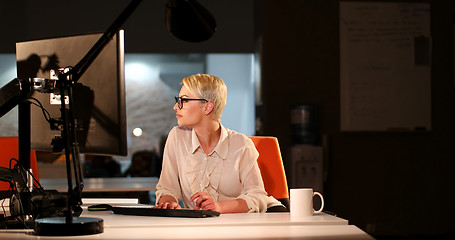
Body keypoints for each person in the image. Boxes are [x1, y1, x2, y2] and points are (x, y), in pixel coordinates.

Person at [155, 74, 284, 213]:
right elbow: (167, 188)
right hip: (203, 226)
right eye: (178, 100)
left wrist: (218, 207)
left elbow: (258, 197)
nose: (175, 106)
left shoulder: (241, 144)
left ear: (207, 107)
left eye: (184, 100)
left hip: (254, 219)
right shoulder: (177, 136)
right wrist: (168, 202)